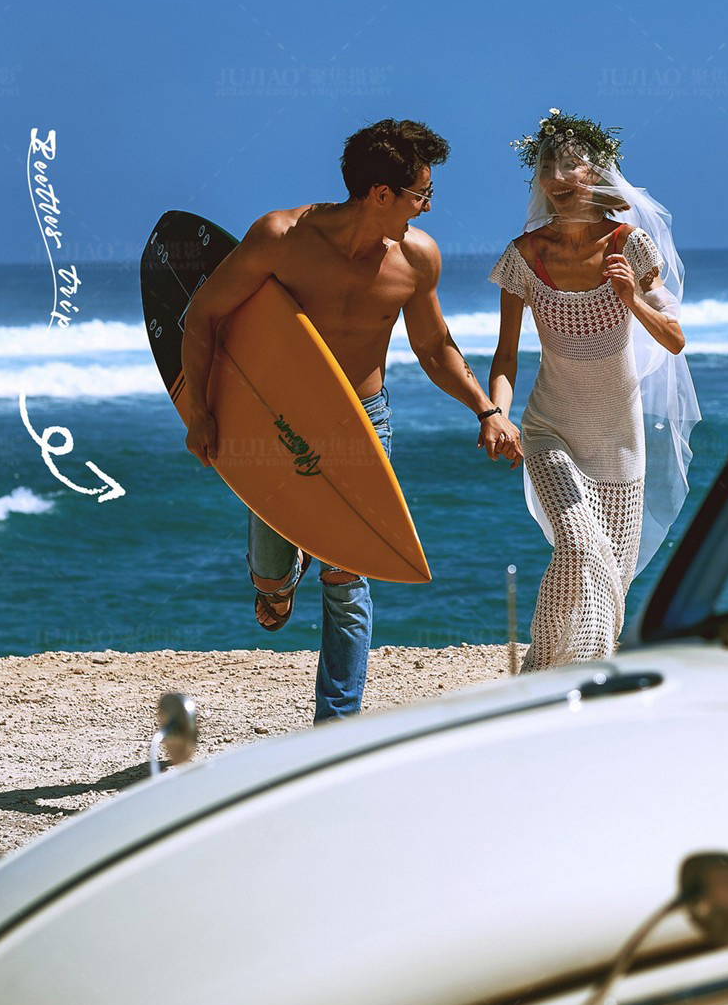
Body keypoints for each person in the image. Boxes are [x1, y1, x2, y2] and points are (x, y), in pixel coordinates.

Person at [181, 118, 521, 721]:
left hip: (363, 423)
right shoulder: (282, 237)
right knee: (271, 583)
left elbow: (434, 348)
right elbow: (204, 313)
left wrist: (486, 409)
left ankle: (336, 723)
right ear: (381, 193)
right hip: (278, 419)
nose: (428, 206)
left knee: (348, 576)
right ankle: (280, 577)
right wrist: (201, 413)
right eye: (422, 193)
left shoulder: (416, 257)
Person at [487, 110, 700, 669]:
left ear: (596, 172)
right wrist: (496, 413)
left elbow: (674, 339)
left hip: (619, 440)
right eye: (546, 166)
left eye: (570, 165)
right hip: (549, 429)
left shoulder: (631, 246)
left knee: (607, 574)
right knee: (582, 545)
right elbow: (506, 355)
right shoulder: (523, 256)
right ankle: (562, 676)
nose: (556, 177)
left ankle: (552, 675)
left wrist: (631, 300)